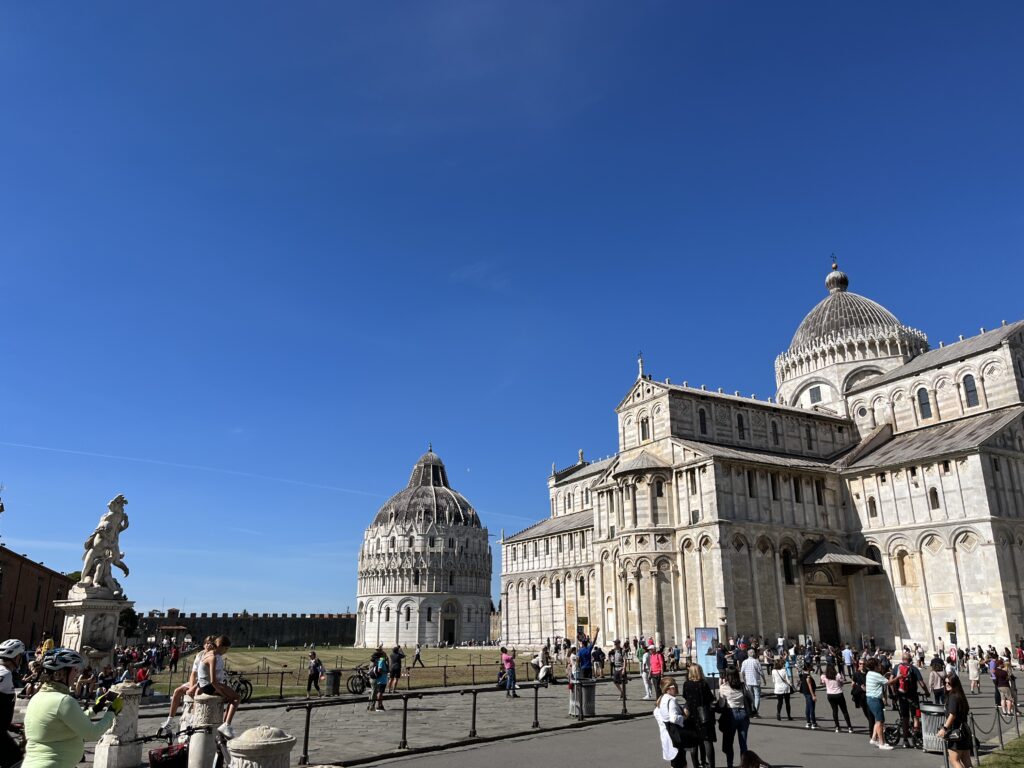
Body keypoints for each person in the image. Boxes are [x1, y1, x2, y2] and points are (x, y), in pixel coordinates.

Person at [22, 648, 122, 768]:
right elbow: (92, 734)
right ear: (62, 673)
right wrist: (112, 711)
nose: (77, 674)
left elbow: (68, 721)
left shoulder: (37, 697)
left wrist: (95, 709)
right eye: (74, 670)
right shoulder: (63, 701)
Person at [158, 636, 213, 737]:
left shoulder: (213, 657)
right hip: (197, 682)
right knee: (177, 691)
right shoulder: (200, 655)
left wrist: (193, 688)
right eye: (207, 643)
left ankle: (194, 720)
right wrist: (191, 687)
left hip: (206, 682)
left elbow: (208, 677)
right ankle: (170, 721)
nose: (208, 645)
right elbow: (193, 673)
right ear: (204, 644)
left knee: (196, 694)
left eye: (211, 643)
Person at [197, 636, 239, 737]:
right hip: (208, 686)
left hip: (204, 685)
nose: (226, 651)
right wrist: (223, 694)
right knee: (236, 698)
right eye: (226, 649)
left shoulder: (208, 654)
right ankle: (226, 724)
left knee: (232, 697)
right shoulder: (213, 658)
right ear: (220, 646)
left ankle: (225, 724)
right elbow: (213, 681)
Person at [654, 677, 696, 768]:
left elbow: (656, 713)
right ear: (667, 688)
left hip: (667, 734)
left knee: (675, 762)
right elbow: (673, 718)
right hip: (676, 735)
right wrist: (684, 716)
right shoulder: (671, 701)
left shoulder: (662, 699)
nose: (676, 688)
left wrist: (663, 724)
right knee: (680, 761)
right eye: (674, 686)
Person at [682, 663, 717, 768]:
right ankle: (711, 765)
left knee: (694, 743)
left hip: (691, 715)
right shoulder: (703, 684)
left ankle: (696, 765)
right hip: (704, 715)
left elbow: (685, 696)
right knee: (707, 742)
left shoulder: (686, 684)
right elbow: (710, 698)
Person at [716, 667, 749, 768]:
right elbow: (750, 697)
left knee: (729, 742)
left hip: (731, 714)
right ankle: (744, 764)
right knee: (743, 742)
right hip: (743, 713)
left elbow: (721, 705)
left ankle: (730, 764)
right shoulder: (743, 686)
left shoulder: (724, 687)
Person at [938, 674, 973, 768]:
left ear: (955, 684)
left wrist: (944, 728)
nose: (947, 685)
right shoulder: (960, 696)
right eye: (945, 683)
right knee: (966, 761)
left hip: (956, 732)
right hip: (965, 731)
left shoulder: (953, 696)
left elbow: (952, 714)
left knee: (954, 760)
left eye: (949, 683)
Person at [0, 640, 25, 768]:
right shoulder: (5, 673)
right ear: (16, 657)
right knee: (16, 761)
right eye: (21, 656)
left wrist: (12, 727)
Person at [865, 657, 891, 750]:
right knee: (880, 721)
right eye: (879, 664)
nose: (880, 666)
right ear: (875, 666)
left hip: (870, 699)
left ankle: (873, 738)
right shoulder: (876, 675)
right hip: (875, 699)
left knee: (878, 720)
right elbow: (889, 683)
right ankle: (881, 743)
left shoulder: (869, 673)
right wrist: (897, 676)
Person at [820, 664, 853, 732]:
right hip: (838, 693)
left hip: (830, 694)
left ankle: (837, 726)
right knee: (844, 710)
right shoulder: (837, 675)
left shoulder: (824, 676)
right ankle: (849, 727)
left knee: (835, 711)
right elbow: (842, 684)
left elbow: (823, 683)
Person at [739, 652, 764, 717]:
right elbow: (760, 671)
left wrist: (743, 680)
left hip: (748, 682)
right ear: (754, 654)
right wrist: (764, 679)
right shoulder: (756, 661)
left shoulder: (744, 662)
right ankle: (755, 712)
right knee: (757, 696)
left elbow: (742, 672)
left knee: (750, 697)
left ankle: (750, 711)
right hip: (756, 681)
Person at [796, 664, 817, 729]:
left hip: (805, 693)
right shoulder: (808, 676)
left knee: (808, 707)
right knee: (811, 708)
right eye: (811, 667)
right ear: (808, 668)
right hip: (809, 693)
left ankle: (808, 722)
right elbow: (810, 687)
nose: (812, 668)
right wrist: (813, 695)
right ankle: (813, 722)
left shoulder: (803, 675)